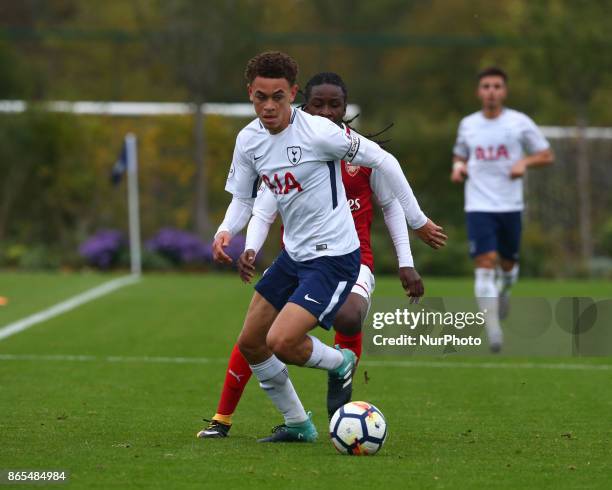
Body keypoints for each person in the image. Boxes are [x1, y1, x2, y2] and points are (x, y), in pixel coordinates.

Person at [207, 51, 441, 443]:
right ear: (250, 93)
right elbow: (245, 199)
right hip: (293, 257)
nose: (268, 106)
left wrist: (417, 220)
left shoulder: (319, 132)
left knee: (281, 341)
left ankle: (341, 362)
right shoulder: (248, 140)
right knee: (251, 342)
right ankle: (299, 424)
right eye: (260, 96)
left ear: (292, 93)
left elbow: (384, 160)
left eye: (277, 96)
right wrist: (225, 230)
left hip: (333, 258)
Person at [451, 66, 553, 352]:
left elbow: (546, 154)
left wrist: (525, 163)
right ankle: (494, 330)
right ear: (478, 92)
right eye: (486, 86)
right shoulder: (468, 124)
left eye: (496, 86)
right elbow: (460, 154)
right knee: (484, 264)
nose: (491, 92)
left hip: (510, 206)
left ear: (504, 91)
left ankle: (505, 289)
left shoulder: (519, 122)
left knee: (508, 265)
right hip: (478, 206)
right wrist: (458, 168)